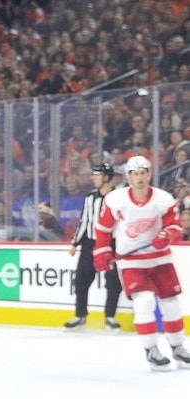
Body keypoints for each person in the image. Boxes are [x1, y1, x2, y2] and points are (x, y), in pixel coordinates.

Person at [94, 155, 190, 369]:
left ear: (149, 175)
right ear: (129, 176)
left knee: (171, 303)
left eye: (143, 173)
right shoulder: (116, 200)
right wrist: (101, 251)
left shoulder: (163, 199)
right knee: (144, 302)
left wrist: (166, 235)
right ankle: (151, 350)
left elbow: (174, 225)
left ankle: (178, 347)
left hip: (160, 258)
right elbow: (103, 228)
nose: (140, 178)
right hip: (131, 261)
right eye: (135, 174)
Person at [64, 163, 122, 330]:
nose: (93, 178)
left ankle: (110, 316)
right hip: (90, 243)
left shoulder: (118, 198)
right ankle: (80, 314)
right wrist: (75, 242)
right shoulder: (90, 197)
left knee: (113, 281)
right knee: (81, 279)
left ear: (106, 178)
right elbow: (85, 221)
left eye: (97, 175)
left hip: (112, 244)